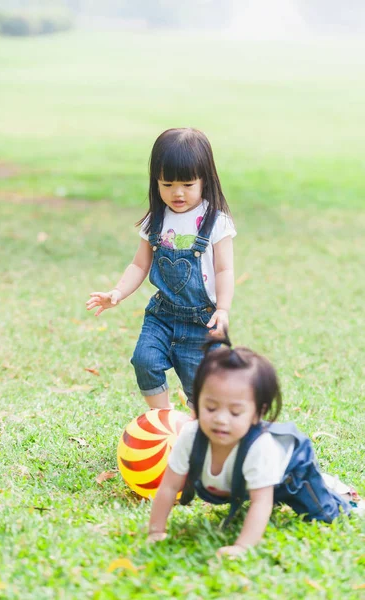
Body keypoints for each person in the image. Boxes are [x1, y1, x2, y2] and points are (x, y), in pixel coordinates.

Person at [147, 333, 360, 557]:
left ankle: (343, 495)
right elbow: (169, 487)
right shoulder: (191, 435)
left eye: (235, 412)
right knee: (254, 485)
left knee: (322, 513)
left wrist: (242, 547)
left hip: (289, 473)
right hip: (248, 477)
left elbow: (261, 503)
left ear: (258, 413)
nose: (221, 419)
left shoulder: (260, 447)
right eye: (210, 408)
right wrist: (155, 531)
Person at [86, 128, 236, 411]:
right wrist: (117, 292)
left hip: (202, 321)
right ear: (155, 181)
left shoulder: (215, 222)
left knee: (201, 387)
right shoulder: (156, 219)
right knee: (144, 360)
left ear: (205, 180)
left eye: (188, 184)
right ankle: (162, 420)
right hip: (163, 314)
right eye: (167, 184)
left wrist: (223, 309)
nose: (177, 193)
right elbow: (139, 264)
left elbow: (224, 270)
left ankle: (195, 433)